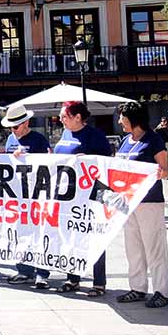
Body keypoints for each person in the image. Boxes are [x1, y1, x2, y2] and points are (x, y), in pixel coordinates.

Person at [112, 102, 168, 308]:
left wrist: (157, 172)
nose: (120, 121)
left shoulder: (153, 140)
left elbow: (165, 170)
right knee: (133, 246)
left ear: (133, 119)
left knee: (154, 246)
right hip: (129, 202)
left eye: (122, 117)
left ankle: (161, 291)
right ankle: (137, 287)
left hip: (150, 202)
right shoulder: (125, 141)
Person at [52, 100, 114, 296]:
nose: (61, 119)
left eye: (65, 116)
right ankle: (73, 278)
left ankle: (99, 282)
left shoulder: (95, 136)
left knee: (94, 236)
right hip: (69, 194)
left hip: (91, 194)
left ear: (78, 117)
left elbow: (106, 165)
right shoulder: (65, 133)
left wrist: (86, 159)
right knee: (71, 235)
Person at [2, 104, 53, 288]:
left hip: (37, 195)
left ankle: (42, 273)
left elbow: (49, 163)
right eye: (10, 127)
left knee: (40, 233)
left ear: (26, 123)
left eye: (15, 126)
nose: (12, 130)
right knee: (21, 233)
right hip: (17, 197)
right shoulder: (10, 140)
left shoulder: (39, 139)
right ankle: (24, 270)